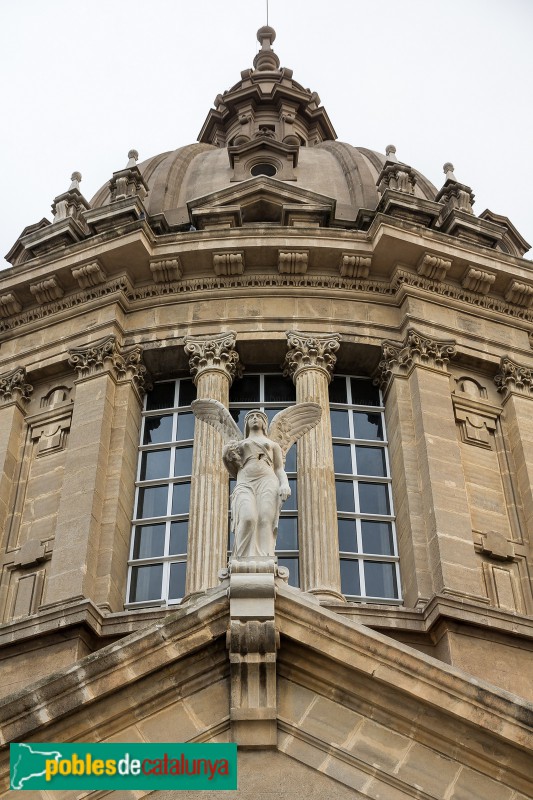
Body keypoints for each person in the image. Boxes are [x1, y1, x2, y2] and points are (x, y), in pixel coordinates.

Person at [223, 410, 290, 558]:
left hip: (267, 480)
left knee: (265, 518)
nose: (254, 419)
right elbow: (231, 468)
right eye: (251, 417)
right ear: (246, 423)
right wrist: (226, 454)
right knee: (247, 518)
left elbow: (279, 468)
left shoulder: (273, 444)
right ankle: (240, 558)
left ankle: (265, 557)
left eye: (258, 417)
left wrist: (284, 484)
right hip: (245, 481)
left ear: (264, 423)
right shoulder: (238, 444)